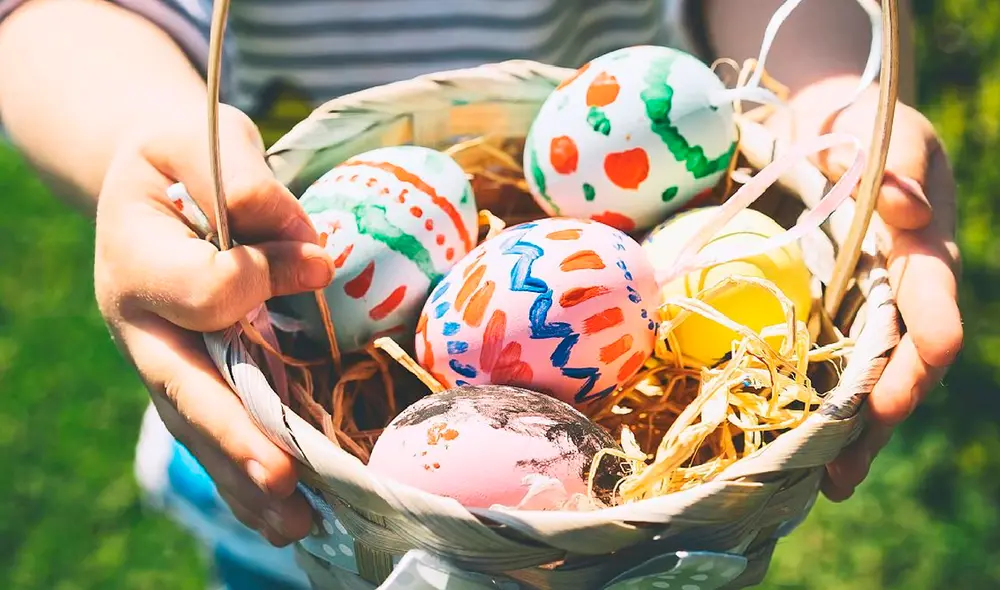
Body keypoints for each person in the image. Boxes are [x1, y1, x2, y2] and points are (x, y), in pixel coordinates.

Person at [0, 0, 962, 588]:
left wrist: (826, 104)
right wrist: (158, 143)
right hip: (302, 483)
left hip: (634, 553)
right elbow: (63, 14)